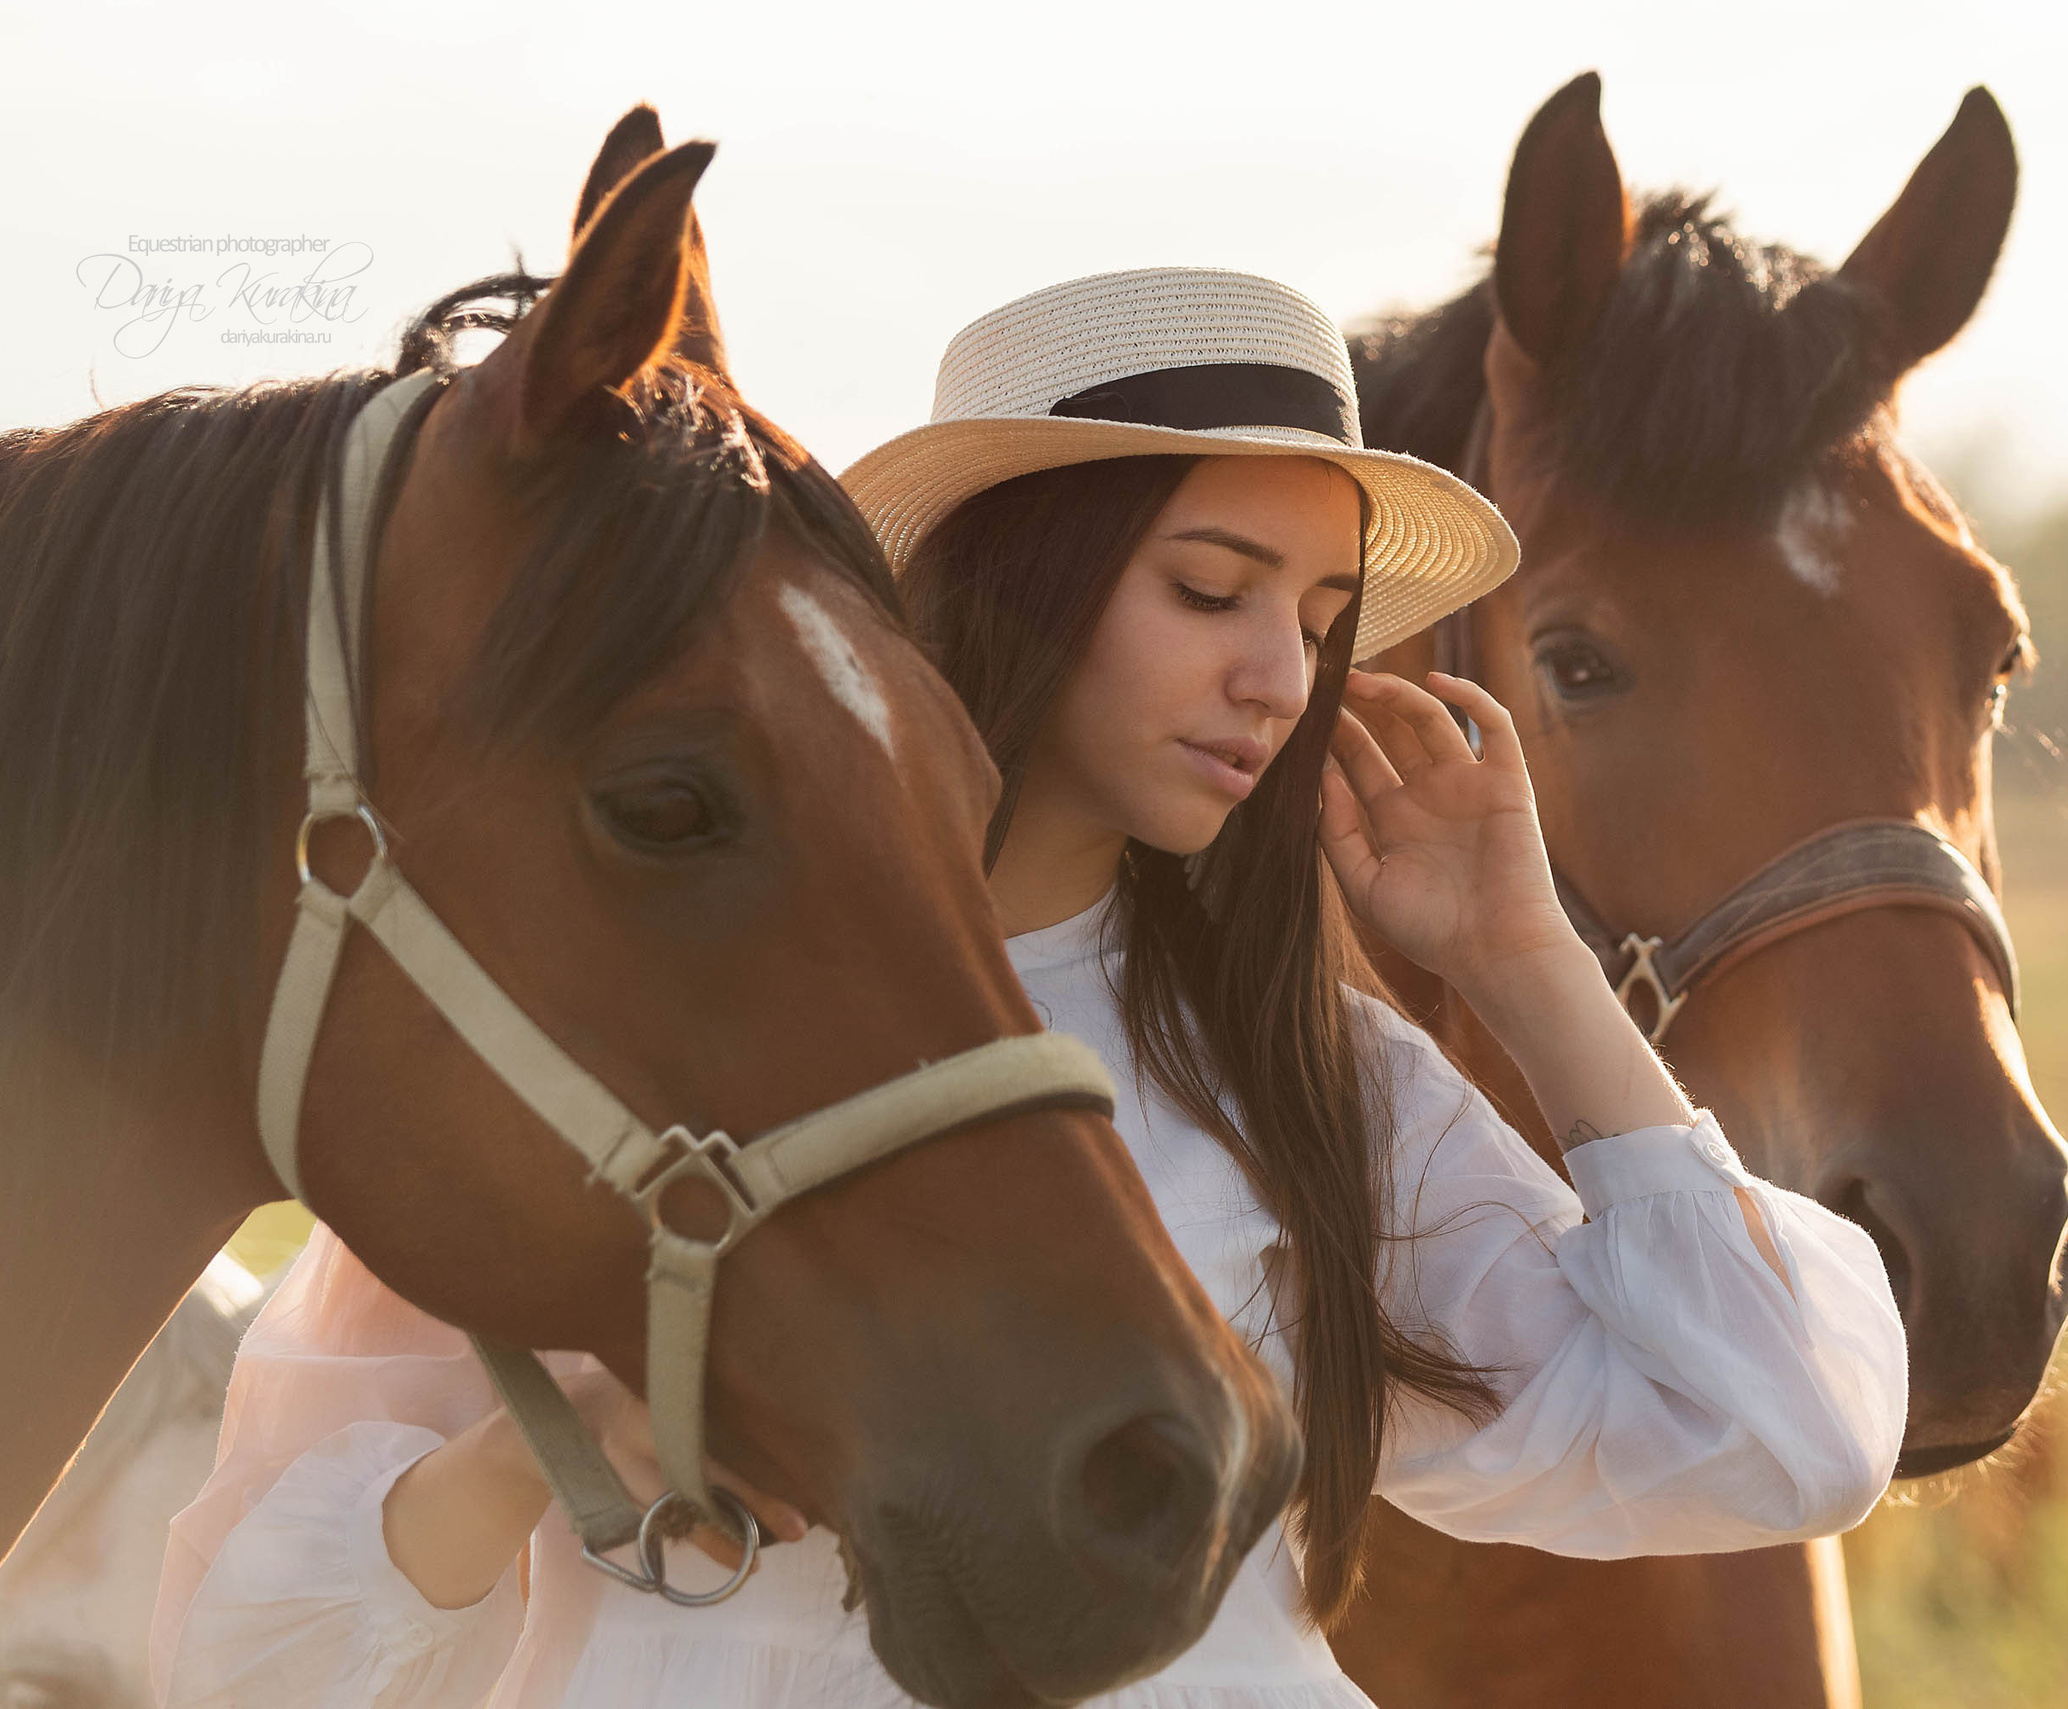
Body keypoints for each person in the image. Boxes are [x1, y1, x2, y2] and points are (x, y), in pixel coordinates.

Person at [151, 267, 1906, 1709]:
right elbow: (252, 1667)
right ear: (1027, 568)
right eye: (1210, 588)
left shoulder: (1291, 1074)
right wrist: (581, 1435)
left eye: (1315, 614)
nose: (1273, 674)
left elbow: (1785, 1434)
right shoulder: (650, 995)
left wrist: (1526, 964)